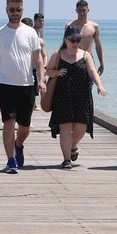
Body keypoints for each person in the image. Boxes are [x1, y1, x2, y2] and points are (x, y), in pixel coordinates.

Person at [0, 0, 45, 174]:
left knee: (25, 127)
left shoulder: (30, 33)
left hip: (26, 85)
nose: (15, 12)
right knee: (9, 122)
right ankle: (10, 160)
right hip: (5, 85)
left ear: (22, 10)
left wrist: (41, 80)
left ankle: (19, 144)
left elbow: (39, 61)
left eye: (18, 9)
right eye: (11, 9)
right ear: (6, 10)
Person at [46, 26, 106, 168]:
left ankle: (72, 145)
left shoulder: (85, 55)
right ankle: (67, 159)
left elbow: (92, 71)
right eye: (72, 40)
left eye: (78, 40)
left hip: (82, 96)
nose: (75, 43)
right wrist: (56, 72)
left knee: (81, 128)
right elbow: (48, 70)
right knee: (65, 127)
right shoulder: (58, 54)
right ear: (65, 40)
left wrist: (99, 85)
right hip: (62, 95)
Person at [64, 0, 104, 75]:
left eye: (84, 10)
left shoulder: (94, 26)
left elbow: (98, 46)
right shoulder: (69, 26)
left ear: (88, 10)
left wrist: (101, 63)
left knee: (89, 84)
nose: (81, 13)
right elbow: (65, 45)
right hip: (72, 59)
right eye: (79, 10)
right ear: (76, 10)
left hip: (88, 59)